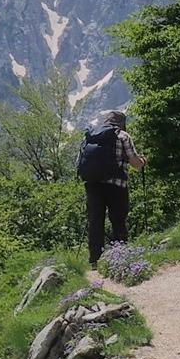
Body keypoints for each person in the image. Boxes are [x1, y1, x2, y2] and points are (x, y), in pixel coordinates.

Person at [80, 109, 145, 269]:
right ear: (122, 123)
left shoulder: (92, 137)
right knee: (118, 220)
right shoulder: (123, 136)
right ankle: (120, 257)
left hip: (93, 184)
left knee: (95, 222)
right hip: (116, 185)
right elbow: (135, 163)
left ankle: (95, 261)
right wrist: (143, 161)